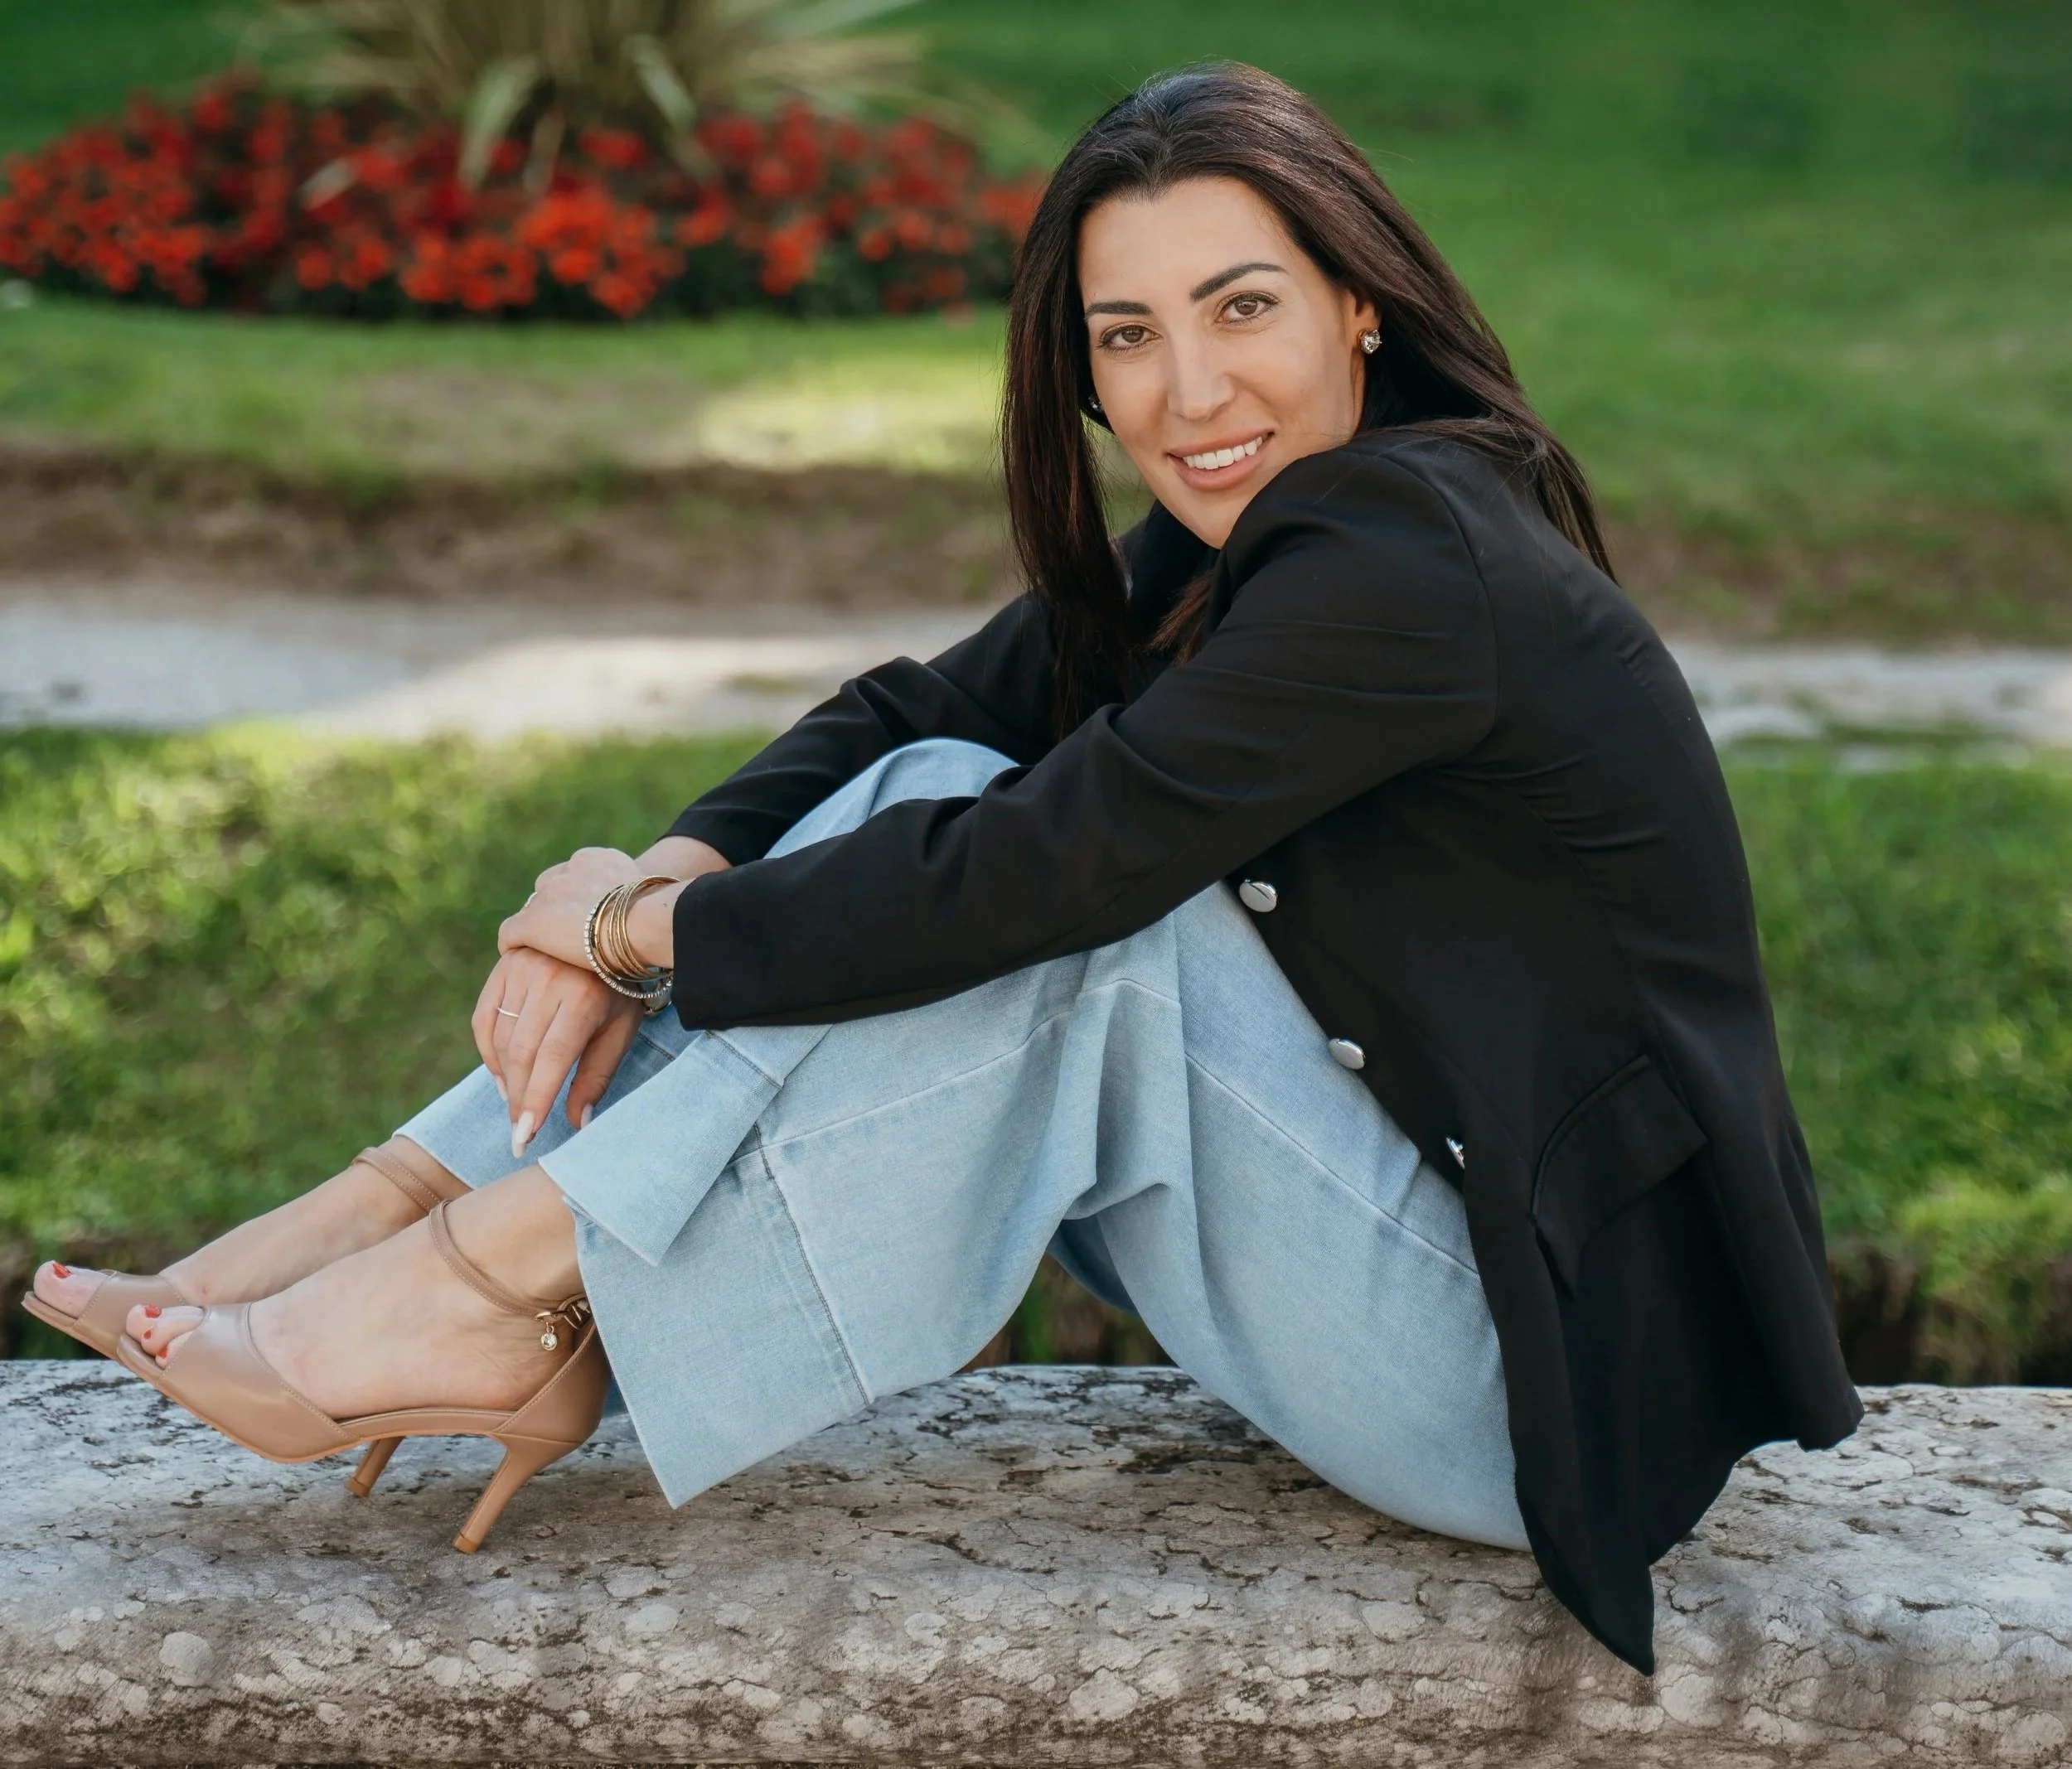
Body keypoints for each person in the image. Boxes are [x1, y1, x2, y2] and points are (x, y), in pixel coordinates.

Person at [23, 62, 1861, 1674]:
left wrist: (631, 930)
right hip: (1414, 1259)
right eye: (1125, 336)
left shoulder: (1404, 560)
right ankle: (397, 1212)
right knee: (935, 775)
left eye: (1241, 307)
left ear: (1358, 303)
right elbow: (921, 712)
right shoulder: (1264, 526)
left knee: (1104, 943)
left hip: (1534, 1387)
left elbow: (1043, 875)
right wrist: (643, 878)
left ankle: (491, 1274)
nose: (1186, 389)